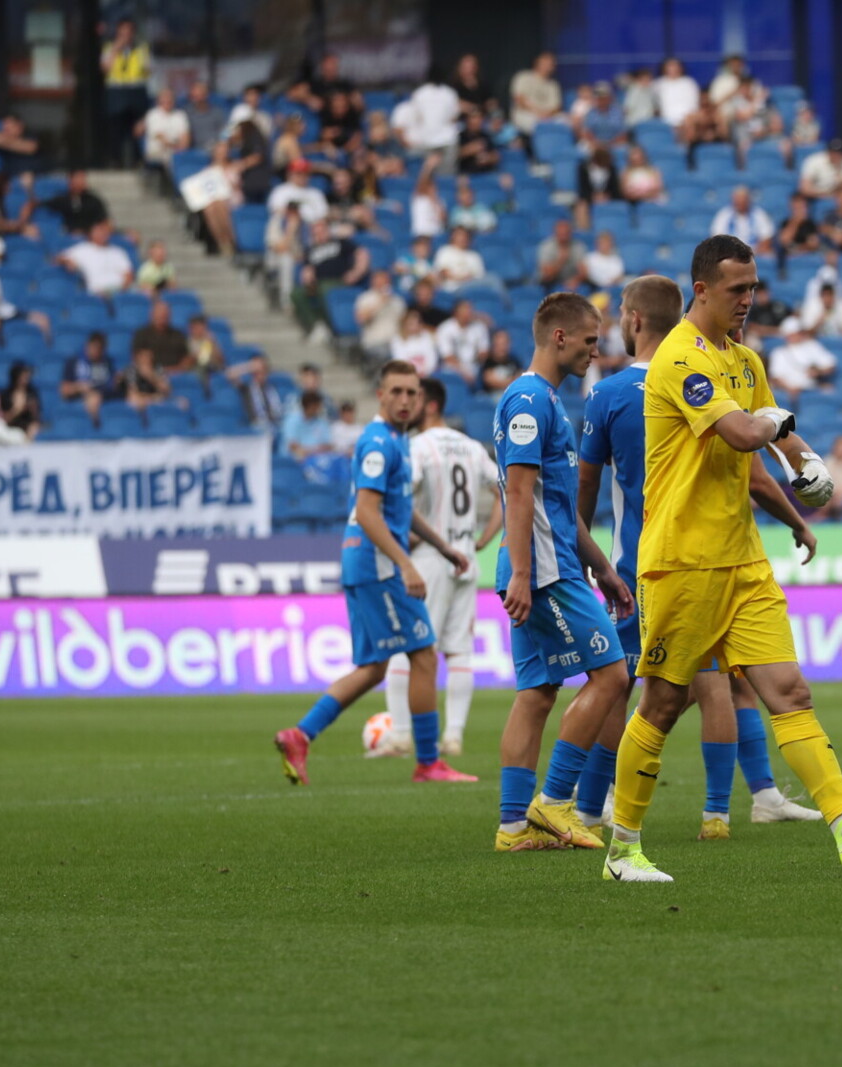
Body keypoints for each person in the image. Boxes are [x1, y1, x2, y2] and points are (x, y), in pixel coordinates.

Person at [605, 235, 842, 881]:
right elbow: (746, 432)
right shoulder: (678, 361)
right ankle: (623, 850)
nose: (748, 300)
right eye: (736, 290)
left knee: (789, 691)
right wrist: (781, 433)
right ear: (700, 291)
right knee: (662, 705)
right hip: (682, 563)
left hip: (742, 560)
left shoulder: (744, 360)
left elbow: (770, 436)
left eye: (753, 288)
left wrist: (809, 469)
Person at [575, 275, 821, 837]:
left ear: (633, 320)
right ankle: (706, 807)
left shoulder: (609, 395)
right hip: (695, 559)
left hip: (644, 560)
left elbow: (584, 488)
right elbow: (757, 474)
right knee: (683, 686)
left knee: (652, 684)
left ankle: (595, 804)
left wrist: (585, 552)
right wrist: (797, 520)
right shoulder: (707, 378)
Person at [271, 362, 475, 786]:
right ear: (380, 395)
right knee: (423, 653)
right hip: (377, 566)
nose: (405, 400)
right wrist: (405, 563)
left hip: (366, 564)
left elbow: (399, 507)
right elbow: (366, 511)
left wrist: (440, 546)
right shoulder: (380, 443)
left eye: (411, 393)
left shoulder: (398, 441)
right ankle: (428, 762)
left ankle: (300, 735)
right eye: (396, 392)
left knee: (376, 667)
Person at [487, 293, 636, 854]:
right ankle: (553, 802)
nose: (596, 352)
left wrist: (602, 566)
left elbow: (556, 503)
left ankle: (512, 827)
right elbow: (520, 493)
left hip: (549, 564)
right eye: (590, 341)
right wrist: (524, 574)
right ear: (559, 337)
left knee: (537, 692)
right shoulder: (529, 401)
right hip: (544, 572)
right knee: (613, 676)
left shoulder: (543, 400)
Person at [398, 378, 500, 759]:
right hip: (466, 556)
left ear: (430, 405)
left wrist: (405, 542)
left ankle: (401, 733)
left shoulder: (418, 447)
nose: (407, 404)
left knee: (411, 649)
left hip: (430, 558)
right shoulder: (472, 447)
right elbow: (503, 489)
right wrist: (485, 539)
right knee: (459, 653)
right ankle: (453, 736)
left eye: (414, 397)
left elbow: (402, 498)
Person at [100, 18, 151, 165]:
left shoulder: (141, 49)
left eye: (128, 33)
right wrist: (116, 49)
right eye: (122, 33)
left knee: (137, 128)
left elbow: (148, 69)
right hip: (117, 90)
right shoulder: (109, 48)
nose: (125, 36)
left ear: (133, 33)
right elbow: (104, 68)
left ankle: (138, 160)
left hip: (136, 90)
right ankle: (115, 160)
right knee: (116, 128)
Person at [58, 220, 133, 297]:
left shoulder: (118, 252)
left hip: (118, 292)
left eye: (106, 230)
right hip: (96, 293)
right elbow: (58, 258)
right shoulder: (82, 250)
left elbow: (128, 275)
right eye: (100, 229)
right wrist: (67, 261)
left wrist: (120, 291)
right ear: (91, 232)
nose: (103, 233)